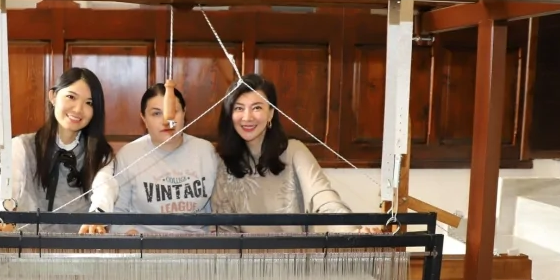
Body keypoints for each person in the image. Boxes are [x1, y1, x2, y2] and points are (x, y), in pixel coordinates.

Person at [211, 73, 376, 235]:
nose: (247, 117)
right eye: (239, 108)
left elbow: (325, 200)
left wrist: (355, 233)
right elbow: (224, 231)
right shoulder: (223, 164)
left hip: (297, 252)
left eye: (257, 108)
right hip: (244, 254)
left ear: (271, 113)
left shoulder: (295, 151)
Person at [0, 67, 115, 234]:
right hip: (26, 245)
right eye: (71, 97)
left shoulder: (101, 154)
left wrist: (97, 218)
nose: (78, 109)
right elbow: (7, 188)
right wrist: (2, 219)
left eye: (89, 103)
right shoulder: (21, 146)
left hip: (78, 245)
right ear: (53, 97)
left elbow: (105, 188)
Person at [101, 83, 218, 235]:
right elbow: (117, 215)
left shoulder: (206, 151)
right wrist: (134, 237)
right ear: (143, 118)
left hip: (197, 244)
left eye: (173, 111)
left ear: (184, 113)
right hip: (145, 243)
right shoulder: (129, 155)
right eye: (156, 113)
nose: (166, 120)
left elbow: (218, 211)